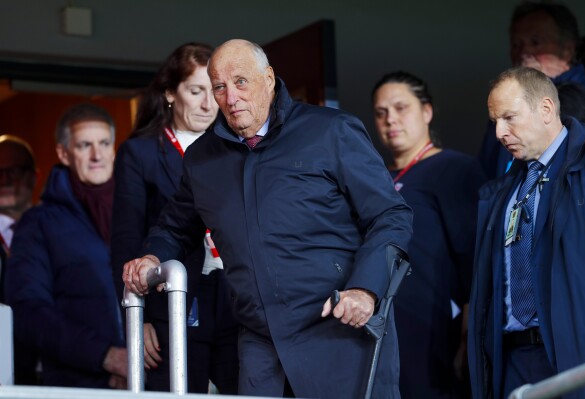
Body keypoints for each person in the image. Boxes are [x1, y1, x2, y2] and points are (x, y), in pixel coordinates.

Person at [123, 39, 413, 399]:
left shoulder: (331, 131)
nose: (230, 98)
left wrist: (365, 289)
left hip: (340, 329)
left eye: (241, 82)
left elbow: (390, 214)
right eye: (219, 87)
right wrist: (152, 257)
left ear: (269, 79)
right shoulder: (202, 160)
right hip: (261, 341)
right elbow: (174, 229)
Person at [111, 42, 238, 394]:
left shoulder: (233, 149)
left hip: (232, 297)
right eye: (194, 91)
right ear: (170, 93)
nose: (207, 103)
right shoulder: (140, 152)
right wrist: (138, 317)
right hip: (171, 300)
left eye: (213, 91)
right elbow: (126, 238)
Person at [468, 66, 585, 399]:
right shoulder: (500, 193)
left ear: (545, 109)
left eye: (510, 117)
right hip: (514, 360)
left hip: (581, 356)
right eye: (495, 121)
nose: (500, 132)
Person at [372, 71, 485, 398]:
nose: (390, 119)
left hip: (434, 328)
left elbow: (473, 259)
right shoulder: (375, 178)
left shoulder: (455, 169)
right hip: (384, 329)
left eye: (400, 107)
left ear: (427, 111)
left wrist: (468, 336)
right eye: (381, 112)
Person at [5, 103, 127, 389]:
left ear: (113, 149)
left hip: (150, 382)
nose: (97, 155)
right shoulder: (39, 224)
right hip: (77, 385)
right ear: (64, 153)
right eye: (85, 145)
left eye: (104, 143)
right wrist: (105, 357)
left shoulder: (139, 212)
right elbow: (28, 313)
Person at [479, 2, 585, 180]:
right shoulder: (508, 97)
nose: (523, 52)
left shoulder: (582, 100)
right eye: (516, 44)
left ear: (567, 49)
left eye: (536, 42)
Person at [0, 134, 40, 385]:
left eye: (13, 171)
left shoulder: (58, 234)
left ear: (33, 176)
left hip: (54, 373)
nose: (4, 181)